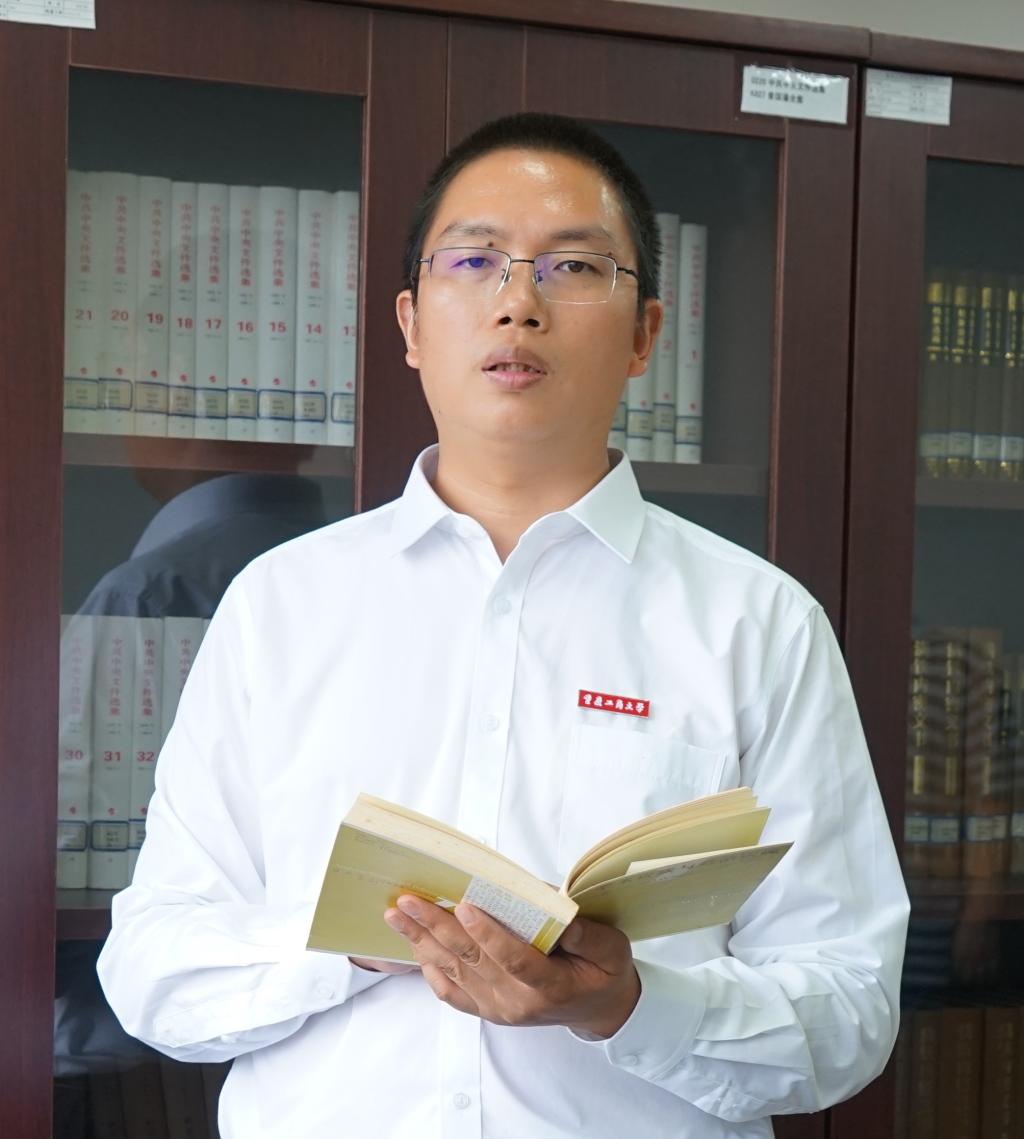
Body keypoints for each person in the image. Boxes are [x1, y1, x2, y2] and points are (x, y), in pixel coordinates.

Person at [98, 112, 909, 1138]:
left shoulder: (759, 623)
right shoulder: (282, 604)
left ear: (645, 335)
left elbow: (847, 1012)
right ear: (410, 324)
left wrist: (625, 1004)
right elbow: (154, 971)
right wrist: (360, 944)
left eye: (574, 267)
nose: (518, 301)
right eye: (474, 259)